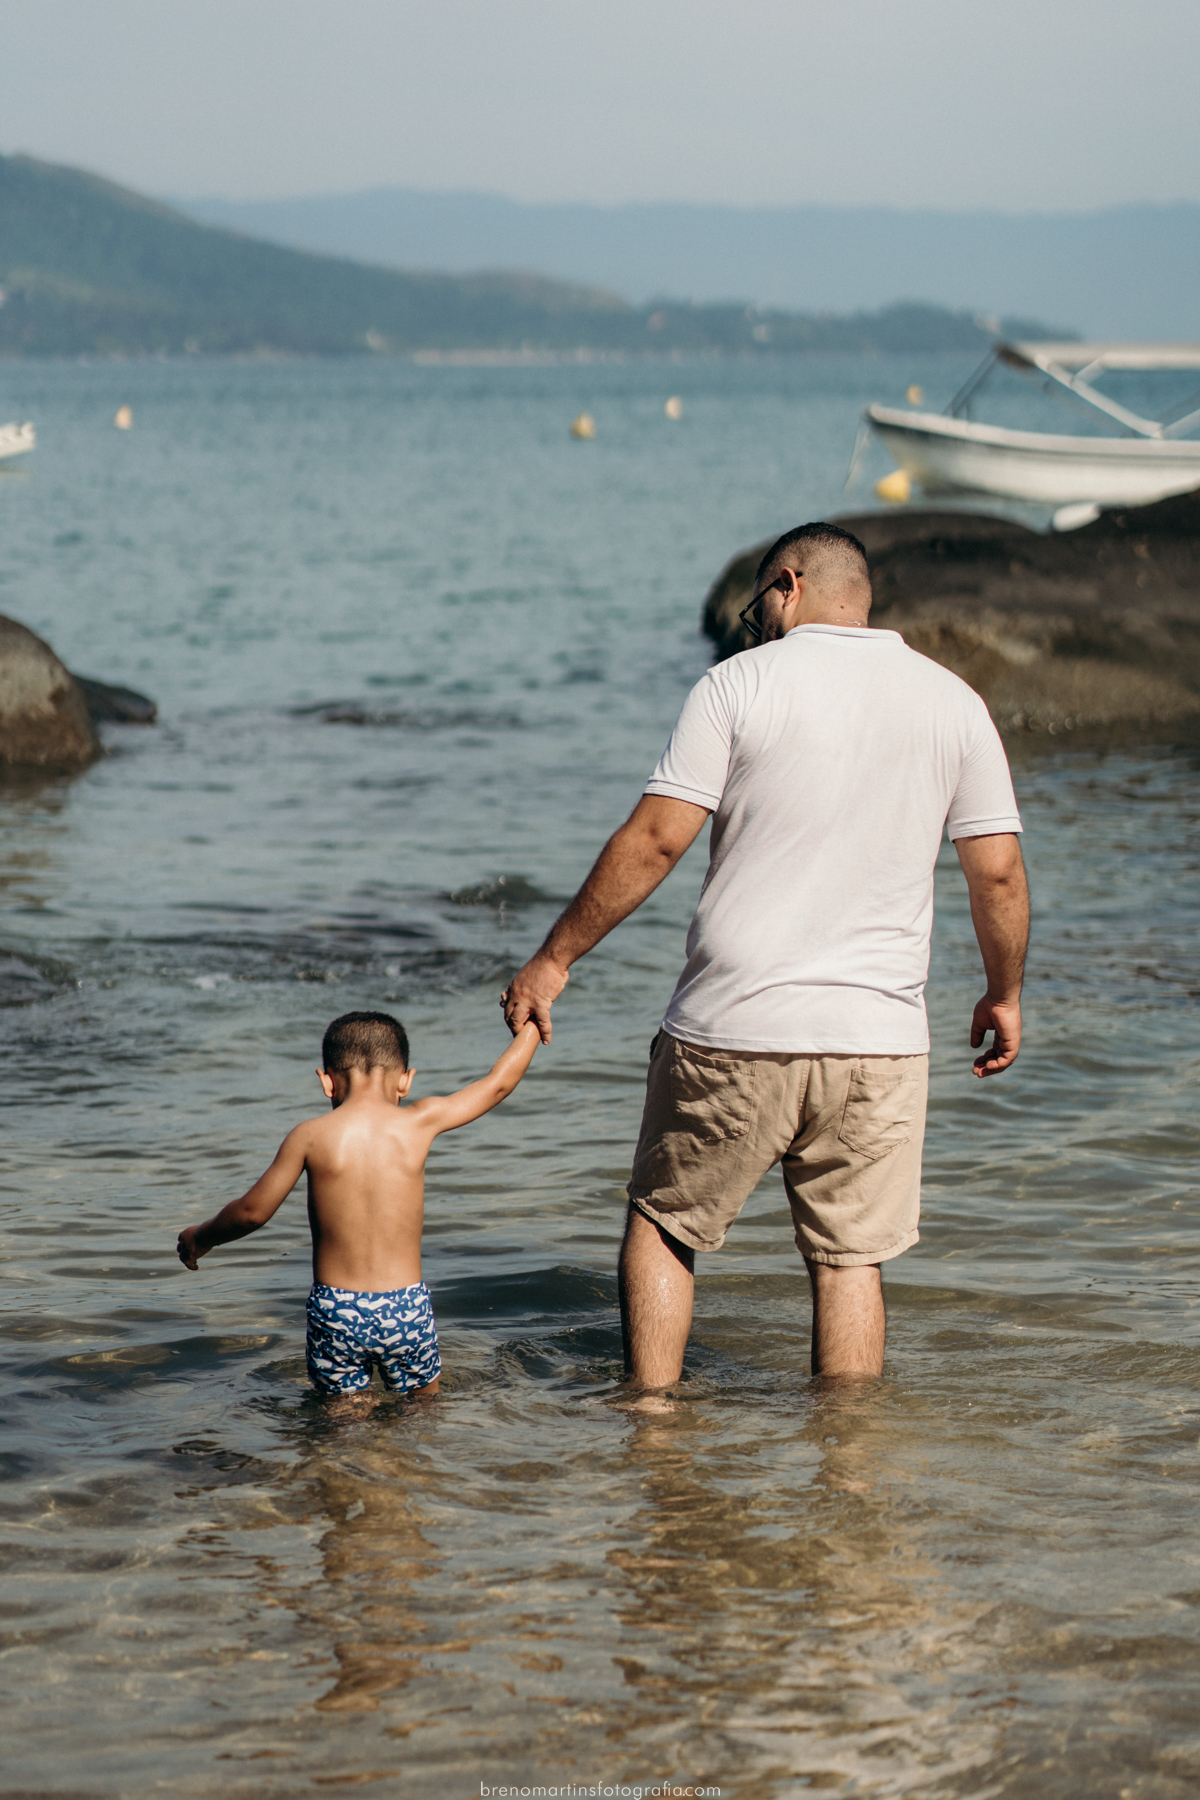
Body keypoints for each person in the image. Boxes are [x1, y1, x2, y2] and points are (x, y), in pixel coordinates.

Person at [502, 521, 1029, 1386]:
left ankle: (653, 1435)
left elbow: (656, 841)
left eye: (758, 610)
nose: (757, 626)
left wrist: (556, 957)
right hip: (878, 1039)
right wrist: (1004, 993)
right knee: (851, 1262)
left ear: (787, 584)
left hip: (733, 1027)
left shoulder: (737, 685)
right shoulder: (953, 702)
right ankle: (849, 1478)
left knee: (667, 1225)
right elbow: (999, 874)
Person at [176, 1010, 540, 1396]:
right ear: (406, 1080)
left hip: (336, 1310)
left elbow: (252, 1214)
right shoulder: (420, 1121)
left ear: (326, 1080)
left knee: (342, 1426)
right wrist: (533, 1024)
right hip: (405, 1306)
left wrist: (201, 1236)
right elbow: (498, 1085)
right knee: (423, 1415)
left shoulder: (310, 1136)